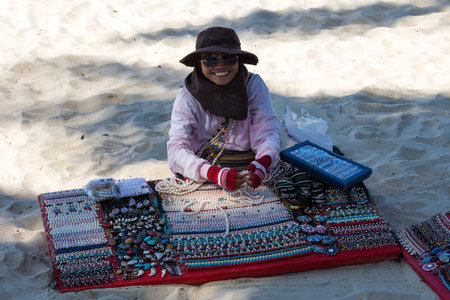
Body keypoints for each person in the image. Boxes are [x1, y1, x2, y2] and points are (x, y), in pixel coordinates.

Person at [167, 26, 280, 191]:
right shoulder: (187, 98)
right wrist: (213, 173)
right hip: (204, 174)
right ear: (199, 62)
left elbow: (268, 131)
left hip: (249, 173)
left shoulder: (254, 86)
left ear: (238, 60)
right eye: (210, 59)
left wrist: (264, 160)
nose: (220, 66)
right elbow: (176, 150)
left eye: (228, 58)